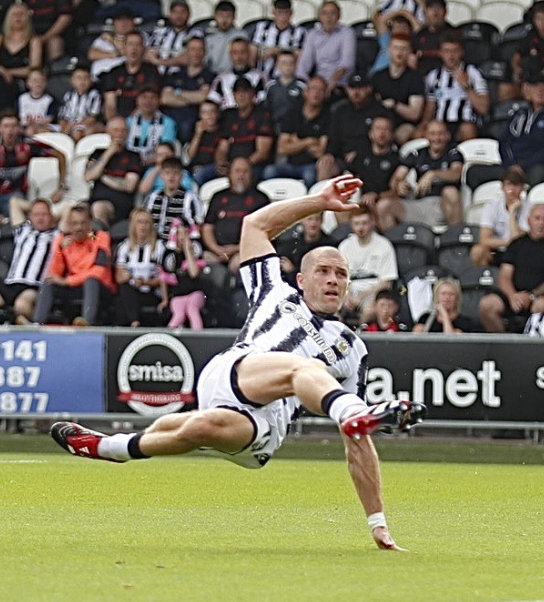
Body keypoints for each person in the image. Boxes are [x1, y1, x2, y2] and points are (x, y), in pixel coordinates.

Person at [48, 174, 425, 551]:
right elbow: (254, 225)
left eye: (341, 274)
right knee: (302, 372)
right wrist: (318, 201)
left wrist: (378, 523)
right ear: (301, 278)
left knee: (200, 427)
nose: (333, 280)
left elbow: (356, 445)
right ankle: (108, 448)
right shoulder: (273, 289)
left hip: (265, 429)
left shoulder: (351, 347)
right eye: (323, 271)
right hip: (234, 373)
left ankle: (109, 448)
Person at [0, 198, 57, 325]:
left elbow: (68, 210)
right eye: (36, 215)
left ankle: (35, 332)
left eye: (44, 214)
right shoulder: (23, 231)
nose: (40, 218)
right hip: (11, 283)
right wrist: (35, 206)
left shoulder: (57, 235)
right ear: (30, 216)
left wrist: (48, 211)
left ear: (52, 217)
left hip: (34, 285)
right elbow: (14, 202)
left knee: (22, 306)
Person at [33, 204, 116, 326]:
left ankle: (87, 322)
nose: (79, 228)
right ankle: (37, 323)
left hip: (99, 287)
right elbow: (54, 273)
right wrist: (60, 251)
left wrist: (67, 281)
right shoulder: (62, 239)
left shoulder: (99, 237)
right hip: (75, 287)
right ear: (69, 224)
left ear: (89, 223)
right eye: (75, 223)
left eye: (83, 223)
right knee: (49, 281)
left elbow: (99, 272)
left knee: (91, 280)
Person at [495, 204, 544, 330]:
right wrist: (513, 296)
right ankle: (502, 345)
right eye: (537, 218)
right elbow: (504, 275)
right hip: (514, 295)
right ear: (529, 221)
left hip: (539, 297)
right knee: (488, 305)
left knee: (541, 306)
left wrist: (531, 296)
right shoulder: (516, 244)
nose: (541, 223)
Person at [385, 119, 463, 229]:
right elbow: (396, 177)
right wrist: (399, 184)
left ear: (447, 136)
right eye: (433, 134)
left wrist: (432, 174)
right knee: (383, 206)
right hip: (418, 205)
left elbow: (456, 174)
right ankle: (394, 242)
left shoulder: (453, 153)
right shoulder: (416, 154)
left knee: (450, 192)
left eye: (441, 134)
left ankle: (455, 237)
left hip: (442, 206)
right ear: (426, 135)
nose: (437, 138)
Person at [201, 157, 270, 272]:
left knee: (237, 264)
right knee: (200, 261)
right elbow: (208, 227)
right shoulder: (218, 197)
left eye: (245, 171)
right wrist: (216, 249)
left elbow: (264, 232)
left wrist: (237, 249)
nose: (241, 175)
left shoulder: (261, 199)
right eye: (237, 171)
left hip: (245, 251)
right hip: (217, 252)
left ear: (251, 175)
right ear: (230, 174)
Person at [422, 33, 488, 142]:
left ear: (461, 52)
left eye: (455, 51)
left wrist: (467, 86)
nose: (451, 55)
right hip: (440, 124)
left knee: (467, 129)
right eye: (446, 51)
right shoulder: (433, 76)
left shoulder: (473, 73)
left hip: (464, 122)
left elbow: (484, 108)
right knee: (421, 133)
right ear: (440, 53)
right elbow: (430, 109)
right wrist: (424, 125)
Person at [338, 206, 398, 323]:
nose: (360, 228)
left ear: (372, 222)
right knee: (329, 307)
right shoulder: (344, 246)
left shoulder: (384, 245)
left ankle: (359, 338)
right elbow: (340, 277)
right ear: (351, 224)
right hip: (348, 292)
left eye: (364, 223)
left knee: (369, 310)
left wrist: (360, 297)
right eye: (356, 223)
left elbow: (386, 282)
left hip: (373, 293)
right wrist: (346, 296)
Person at [266, 75, 327, 186]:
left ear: (326, 94)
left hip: (311, 165)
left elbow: (320, 152)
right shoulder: (292, 114)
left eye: (321, 90)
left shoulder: (328, 117)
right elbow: (282, 148)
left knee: (310, 176)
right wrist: (308, 142)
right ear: (305, 92)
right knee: (269, 172)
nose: (316, 93)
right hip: (290, 164)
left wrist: (295, 142)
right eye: (313, 89)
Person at [86, 116, 145, 226]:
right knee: (73, 212)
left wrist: (102, 175)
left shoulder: (133, 156)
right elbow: (89, 176)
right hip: (93, 199)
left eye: (123, 131)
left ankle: (103, 241)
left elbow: (129, 186)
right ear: (107, 132)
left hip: (119, 204)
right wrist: (109, 153)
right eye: (116, 130)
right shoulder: (98, 153)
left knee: (98, 208)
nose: (120, 134)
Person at [113, 208, 165, 327]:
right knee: (124, 289)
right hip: (131, 290)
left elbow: (164, 278)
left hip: (151, 292)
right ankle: (134, 321)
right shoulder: (124, 247)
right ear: (133, 226)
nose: (143, 226)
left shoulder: (159, 247)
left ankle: (129, 324)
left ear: (151, 226)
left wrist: (145, 282)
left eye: (146, 222)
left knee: (122, 303)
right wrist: (129, 278)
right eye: (139, 222)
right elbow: (119, 277)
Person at [471, 167, 530, 266]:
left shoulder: (530, 208)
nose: (512, 189)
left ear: (522, 188)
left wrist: (512, 213)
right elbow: (484, 240)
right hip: (497, 250)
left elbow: (517, 241)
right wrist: (507, 242)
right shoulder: (492, 207)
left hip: (520, 253)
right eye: (508, 184)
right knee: (477, 251)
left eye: (516, 185)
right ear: (502, 187)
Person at [296, 1, 355, 93]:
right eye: (325, 13)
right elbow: (304, 63)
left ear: (339, 16)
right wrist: (306, 85)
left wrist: (332, 83)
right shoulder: (313, 34)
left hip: (340, 84)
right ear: (319, 17)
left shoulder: (347, 33)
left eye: (332, 13)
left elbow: (346, 63)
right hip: (318, 84)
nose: (328, 17)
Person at [161, 219, 206, 329]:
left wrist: (188, 250)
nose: (181, 237)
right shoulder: (170, 257)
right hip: (178, 296)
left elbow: (194, 273)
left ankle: (198, 338)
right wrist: (165, 299)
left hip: (194, 293)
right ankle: (168, 338)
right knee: (179, 314)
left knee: (192, 310)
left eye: (184, 233)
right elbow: (163, 277)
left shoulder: (195, 255)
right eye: (178, 234)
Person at [413, 278, 482, 333]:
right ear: (436, 297)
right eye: (443, 294)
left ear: (457, 298)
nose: (447, 297)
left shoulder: (465, 323)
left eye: (451, 294)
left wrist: (445, 315)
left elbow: (450, 342)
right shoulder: (425, 318)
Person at [60, 66, 104, 141]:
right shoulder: (68, 96)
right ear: (72, 81)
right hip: (69, 124)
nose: (82, 81)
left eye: (86, 78)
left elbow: (92, 118)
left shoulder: (94, 95)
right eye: (79, 78)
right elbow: (62, 117)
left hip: (84, 124)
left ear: (91, 81)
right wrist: (64, 127)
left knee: (77, 133)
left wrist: (72, 126)